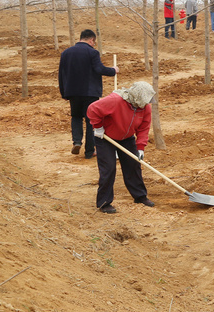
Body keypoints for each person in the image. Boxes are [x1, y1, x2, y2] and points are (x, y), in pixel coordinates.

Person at [86, 81, 155, 214]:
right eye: (145, 100)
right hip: (105, 137)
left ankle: (140, 196)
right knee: (109, 168)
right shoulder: (115, 101)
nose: (147, 103)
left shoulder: (145, 107)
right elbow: (92, 109)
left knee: (133, 165)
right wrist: (98, 127)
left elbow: (144, 128)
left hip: (127, 138)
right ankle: (104, 203)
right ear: (137, 97)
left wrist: (140, 147)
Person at [59, 29, 119, 159]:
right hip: (89, 92)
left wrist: (64, 92)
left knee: (76, 116)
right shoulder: (92, 52)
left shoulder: (65, 53)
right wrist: (113, 70)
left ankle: (77, 141)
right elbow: (99, 69)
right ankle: (89, 151)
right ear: (91, 40)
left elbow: (61, 74)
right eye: (94, 42)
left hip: (72, 91)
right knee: (90, 120)